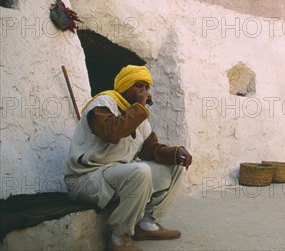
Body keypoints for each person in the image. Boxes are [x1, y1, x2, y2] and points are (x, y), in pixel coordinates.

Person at [64, 65, 193, 250]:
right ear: (124, 86)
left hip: (116, 177)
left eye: (146, 88)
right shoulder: (102, 103)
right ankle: (118, 238)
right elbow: (112, 131)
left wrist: (176, 152)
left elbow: (151, 149)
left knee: (175, 166)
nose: (144, 92)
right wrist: (139, 109)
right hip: (86, 180)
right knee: (140, 170)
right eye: (138, 86)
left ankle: (147, 225)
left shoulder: (138, 116)